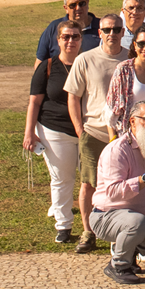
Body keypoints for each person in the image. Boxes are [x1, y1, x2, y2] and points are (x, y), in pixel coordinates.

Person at [64, 12, 127, 254]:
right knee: (89, 183)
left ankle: (119, 232)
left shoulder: (131, 57)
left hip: (124, 135)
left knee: (122, 183)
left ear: (123, 32)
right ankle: (88, 231)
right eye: (107, 29)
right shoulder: (85, 59)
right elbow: (73, 97)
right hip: (94, 132)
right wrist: (80, 129)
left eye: (116, 29)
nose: (112, 33)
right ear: (99, 33)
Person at [89, 101, 145, 284]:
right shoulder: (116, 150)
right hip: (106, 216)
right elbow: (113, 192)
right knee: (136, 223)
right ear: (133, 121)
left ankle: (131, 251)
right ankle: (118, 265)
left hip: (144, 213)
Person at [24, 19, 83, 243]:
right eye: (66, 37)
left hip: (86, 131)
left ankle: (95, 225)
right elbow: (34, 103)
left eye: (75, 37)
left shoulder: (87, 62)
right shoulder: (48, 66)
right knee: (62, 179)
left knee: (92, 180)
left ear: (81, 39)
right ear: (58, 40)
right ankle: (63, 226)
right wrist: (29, 132)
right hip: (55, 129)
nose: (70, 41)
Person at [106, 24, 145, 140]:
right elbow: (110, 110)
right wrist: (112, 140)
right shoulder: (123, 70)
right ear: (134, 45)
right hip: (128, 136)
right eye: (141, 44)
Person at [35, 0, 101, 67]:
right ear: (66, 8)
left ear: (87, 3)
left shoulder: (104, 28)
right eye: (73, 5)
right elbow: (40, 63)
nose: (78, 8)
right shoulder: (54, 28)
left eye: (82, 3)